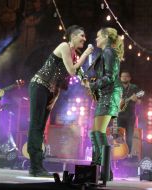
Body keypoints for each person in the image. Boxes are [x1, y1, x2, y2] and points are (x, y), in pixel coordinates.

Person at [27, 25, 93, 177]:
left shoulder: (74, 55)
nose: (84, 38)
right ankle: (35, 166)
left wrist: (91, 86)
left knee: (41, 126)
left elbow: (81, 76)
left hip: (52, 92)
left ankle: (37, 166)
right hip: (40, 85)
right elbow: (71, 70)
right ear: (73, 36)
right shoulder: (64, 46)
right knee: (36, 125)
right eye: (82, 35)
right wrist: (86, 54)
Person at [82, 27, 124, 180]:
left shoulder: (108, 52)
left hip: (110, 94)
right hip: (107, 94)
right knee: (95, 132)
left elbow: (110, 76)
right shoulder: (107, 52)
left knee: (98, 132)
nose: (96, 39)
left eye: (99, 36)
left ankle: (104, 171)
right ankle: (99, 168)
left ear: (106, 37)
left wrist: (92, 85)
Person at [117, 71, 142, 157]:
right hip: (119, 115)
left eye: (126, 76)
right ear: (120, 78)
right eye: (122, 76)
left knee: (129, 135)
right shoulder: (117, 87)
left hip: (130, 115)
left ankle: (128, 154)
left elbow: (140, 99)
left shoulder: (134, 87)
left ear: (129, 78)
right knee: (118, 135)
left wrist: (136, 99)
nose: (124, 78)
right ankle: (119, 153)